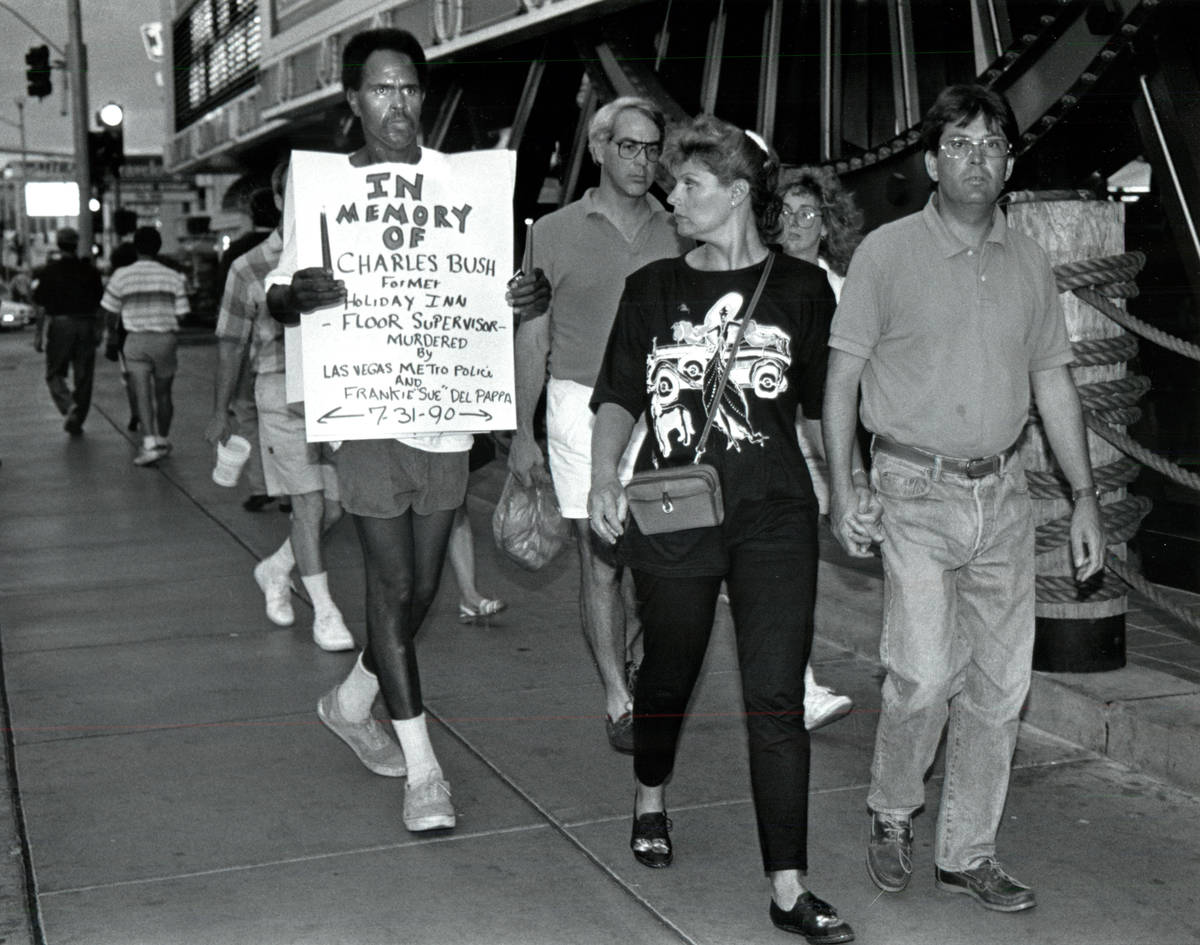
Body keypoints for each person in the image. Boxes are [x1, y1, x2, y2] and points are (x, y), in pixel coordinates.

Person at [823, 84, 1106, 913]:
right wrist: (846, 487)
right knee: (920, 672)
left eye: (992, 144)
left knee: (1000, 682)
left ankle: (967, 850)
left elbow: (1054, 382)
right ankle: (892, 807)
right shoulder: (886, 254)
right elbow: (841, 378)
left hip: (1005, 494)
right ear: (931, 159)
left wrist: (1085, 496)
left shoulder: (1028, 261)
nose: (977, 157)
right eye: (961, 142)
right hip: (912, 488)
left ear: (1008, 162)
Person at [265, 28, 546, 832]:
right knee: (389, 588)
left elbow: (496, 289)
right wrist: (301, 294)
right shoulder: (320, 187)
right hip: (366, 414)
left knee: (422, 589)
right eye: (382, 89)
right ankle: (425, 773)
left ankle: (352, 698)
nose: (399, 103)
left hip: (447, 412)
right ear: (353, 100)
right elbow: (280, 293)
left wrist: (525, 296)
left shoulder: (465, 185)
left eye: (411, 88)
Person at [589, 115, 856, 943]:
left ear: (738, 193)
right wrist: (604, 475)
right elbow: (618, 396)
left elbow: (825, 408)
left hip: (774, 514)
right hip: (675, 510)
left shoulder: (804, 290)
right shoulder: (653, 288)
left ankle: (787, 885)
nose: (675, 195)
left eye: (692, 184)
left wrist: (852, 490)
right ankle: (651, 789)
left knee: (774, 695)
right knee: (668, 671)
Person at [509, 95, 690, 752]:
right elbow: (532, 335)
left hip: (664, 412)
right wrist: (521, 430)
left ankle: (635, 658)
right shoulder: (550, 233)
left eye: (650, 149)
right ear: (599, 149)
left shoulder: (680, 229)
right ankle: (619, 697)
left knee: (663, 565)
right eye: (628, 147)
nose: (642, 161)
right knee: (604, 558)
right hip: (578, 408)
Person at [204, 161, 353, 653]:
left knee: (336, 505)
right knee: (309, 503)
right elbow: (230, 342)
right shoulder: (249, 265)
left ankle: (277, 567)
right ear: (280, 196)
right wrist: (219, 410)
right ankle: (326, 613)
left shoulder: (350, 249)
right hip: (280, 393)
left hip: (341, 392)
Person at [775, 165, 866, 732]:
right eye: (785, 212)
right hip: (780, 444)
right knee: (790, 565)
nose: (797, 224)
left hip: (832, 441)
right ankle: (799, 686)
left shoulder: (846, 289)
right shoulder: (758, 280)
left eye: (809, 213)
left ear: (828, 224)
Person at [100, 227, 190, 466]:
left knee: (142, 393)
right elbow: (182, 314)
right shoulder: (173, 276)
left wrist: (111, 334)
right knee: (164, 393)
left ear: (136, 248)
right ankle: (163, 438)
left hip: (135, 341)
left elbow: (109, 310)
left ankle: (149, 443)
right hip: (165, 340)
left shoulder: (121, 275)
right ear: (159, 247)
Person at [218, 183, 279, 513]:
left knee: (248, 419)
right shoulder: (297, 248)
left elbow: (227, 314)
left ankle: (261, 486)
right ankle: (288, 492)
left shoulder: (237, 255)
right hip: (282, 357)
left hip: (247, 354)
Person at [31, 228, 104, 435]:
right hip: (86, 324)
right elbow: (100, 304)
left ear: (58, 243)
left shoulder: (49, 271)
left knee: (54, 372)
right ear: (76, 243)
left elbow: (41, 306)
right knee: (84, 375)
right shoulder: (90, 271)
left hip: (61, 325)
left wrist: (38, 335)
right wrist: (99, 329)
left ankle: (67, 404)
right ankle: (77, 420)